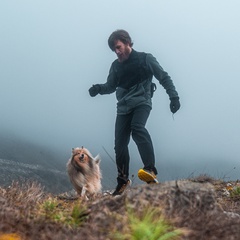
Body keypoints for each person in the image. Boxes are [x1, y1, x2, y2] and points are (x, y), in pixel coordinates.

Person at [89, 29, 180, 196]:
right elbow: (110, 86)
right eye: (114, 50)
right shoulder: (115, 66)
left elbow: (163, 76)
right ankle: (123, 180)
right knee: (120, 145)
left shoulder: (145, 59)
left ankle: (150, 169)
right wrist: (98, 89)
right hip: (123, 107)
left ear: (128, 43)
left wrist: (173, 96)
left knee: (137, 128)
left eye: (119, 47)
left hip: (142, 102)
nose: (117, 52)